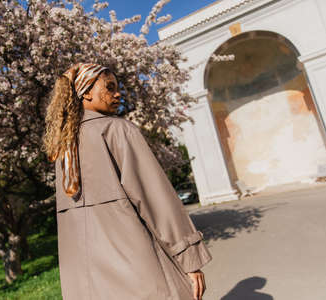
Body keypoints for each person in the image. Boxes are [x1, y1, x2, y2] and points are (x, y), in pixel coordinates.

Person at [42, 63, 212, 300]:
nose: (118, 93)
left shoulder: (61, 147)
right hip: (138, 272)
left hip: (85, 285)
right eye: (109, 87)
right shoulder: (116, 130)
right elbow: (155, 199)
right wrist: (189, 259)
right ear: (86, 92)